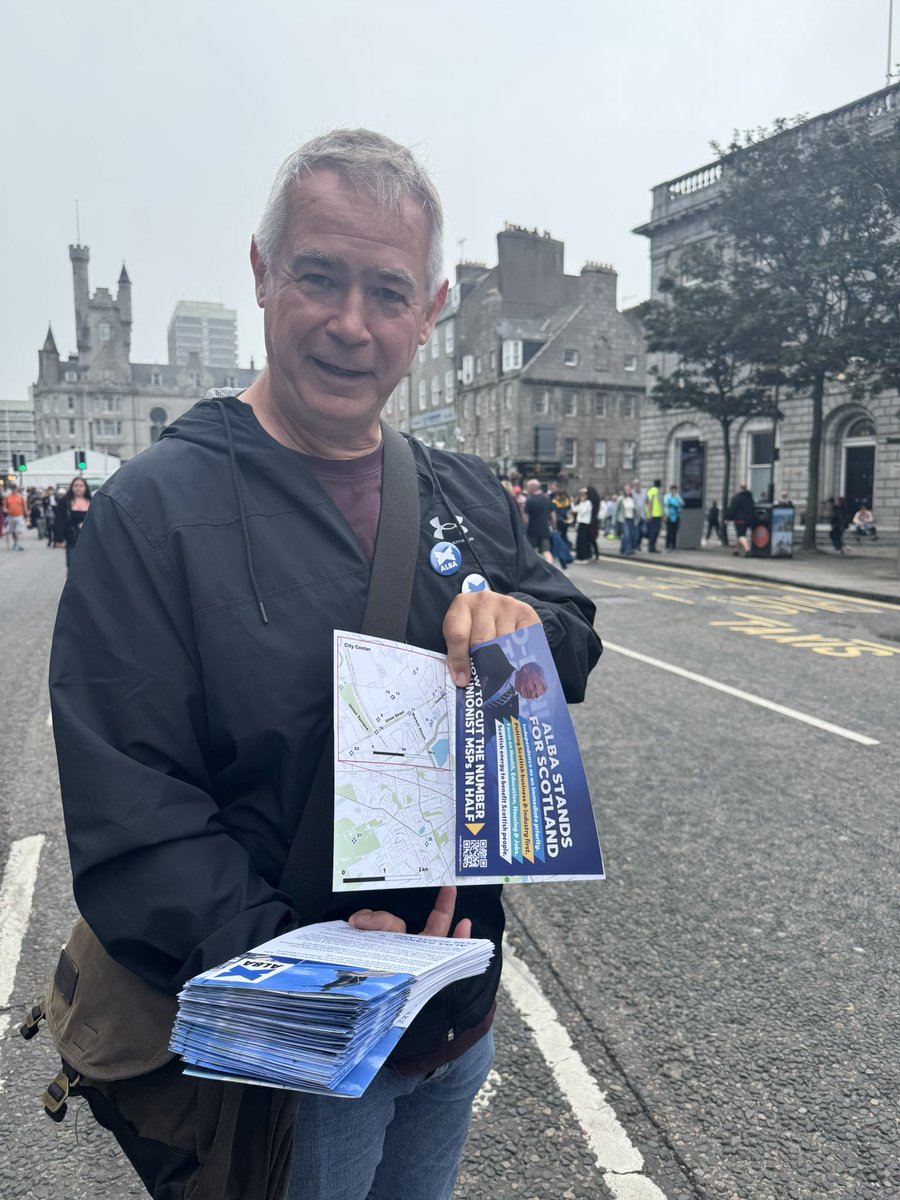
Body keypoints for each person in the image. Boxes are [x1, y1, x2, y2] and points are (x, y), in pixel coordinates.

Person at [49, 128, 602, 1200]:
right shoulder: (153, 511)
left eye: (388, 292)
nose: (353, 324)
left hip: (454, 1022)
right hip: (301, 1065)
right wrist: (311, 981)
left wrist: (518, 626)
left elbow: (567, 624)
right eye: (320, 277)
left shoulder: (465, 490)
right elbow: (134, 817)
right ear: (263, 274)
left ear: (429, 308)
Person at [470, 642, 547, 730]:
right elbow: (470, 660)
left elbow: (486, 732)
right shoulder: (495, 653)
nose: (532, 694)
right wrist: (478, 676)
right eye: (534, 686)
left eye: (536, 696)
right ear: (526, 669)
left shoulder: (513, 714)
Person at [54, 477, 92, 571]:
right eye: (76, 485)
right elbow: (59, 520)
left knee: (88, 567)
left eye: (81, 486)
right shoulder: (65, 501)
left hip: (89, 539)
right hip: (72, 538)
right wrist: (59, 539)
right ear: (72, 487)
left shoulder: (91, 501)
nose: (78, 488)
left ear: (85, 487)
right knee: (72, 567)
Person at [524, 478, 554, 563]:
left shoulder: (529, 500)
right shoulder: (547, 499)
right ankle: (550, 569)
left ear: (532, 487)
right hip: (544, 529)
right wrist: (554, 525)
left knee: (530, 551)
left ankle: (531, 570)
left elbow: (525, 517)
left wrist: (523, 526)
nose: (527, 489)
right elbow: (552, 514)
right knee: (546, 551)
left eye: (528, 487)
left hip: (532, 530)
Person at [725, 482, 756, 556]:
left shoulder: (737, 497)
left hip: (739, 520)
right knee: (740, 534)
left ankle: (747, 550)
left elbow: (732, 509)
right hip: (748, 519)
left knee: (741, 535)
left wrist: (727, 518)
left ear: (740, 488)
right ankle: (736, 550)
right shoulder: (750, 497)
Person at [613, 483, 637, 556]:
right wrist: (614, 522)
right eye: (626, 489)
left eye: (629, 489)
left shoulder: (633, 499)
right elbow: (616, 511)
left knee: (631, 535)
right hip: (623, 519)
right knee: (626, 534)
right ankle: (628, 549)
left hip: (631, 519)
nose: (628, 491)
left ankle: (622, 548)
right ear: (624, 491)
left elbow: (635, 510)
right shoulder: (620, 499)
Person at [573, 487, 593, 562]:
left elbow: (583, 512)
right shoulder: (580, 503)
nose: (582, 496)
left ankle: (583, 557)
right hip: (580, 523)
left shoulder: (588, 503)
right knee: (579, 541)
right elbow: (574, 510)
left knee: (583, 541)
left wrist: (580, 504)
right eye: (581, 494)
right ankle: (579, 556)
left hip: (585, 523)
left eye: (584, 494)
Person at [663, 484, 684, 551]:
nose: (673, 491)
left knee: (675, 532)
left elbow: (682, 503)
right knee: (669, 532)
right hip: (669, 516)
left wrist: (676, 497)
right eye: (672, 489)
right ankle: (667, 546)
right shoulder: (667, 497)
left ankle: (673, 546)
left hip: (676, 517)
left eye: (675, 490)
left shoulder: (677, 497)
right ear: (670, 490)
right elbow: (667, 504)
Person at [645, 479, 663, 552]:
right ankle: (651, 547)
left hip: (651, 515)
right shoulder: (656, 492)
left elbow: (647, 503)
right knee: (655, 532)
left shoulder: (649, 491)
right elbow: (651, 503)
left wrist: (648, 514)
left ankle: (651, 546)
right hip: (655, 515)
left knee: (652, 531)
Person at [631, 478, 648, 551]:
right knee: (636, 532)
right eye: (635, 485)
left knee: (643, 531)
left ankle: (638, 544)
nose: (637, 486)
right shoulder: (631, 493)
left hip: (643, 515)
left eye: (638, 484)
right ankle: (635, 545)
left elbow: (648, 502)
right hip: (635, 516)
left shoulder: (644, 492)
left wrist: (649, 513)